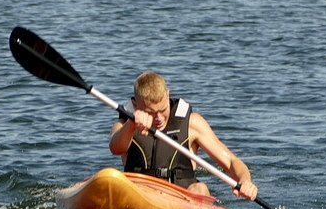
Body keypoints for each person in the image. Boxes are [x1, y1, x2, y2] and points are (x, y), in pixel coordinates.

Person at [109, 71, 258, 201]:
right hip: (141, 195)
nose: (159, 118)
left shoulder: (193, 123)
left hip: (182, 196)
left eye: (163, 109)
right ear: (135, 105)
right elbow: (116, 148)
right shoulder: (125, 125)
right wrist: (131, 125)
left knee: (200, 188)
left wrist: (245, 181)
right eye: (151, 113)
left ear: (168, 95)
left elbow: (231, 161)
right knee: (110, 178)